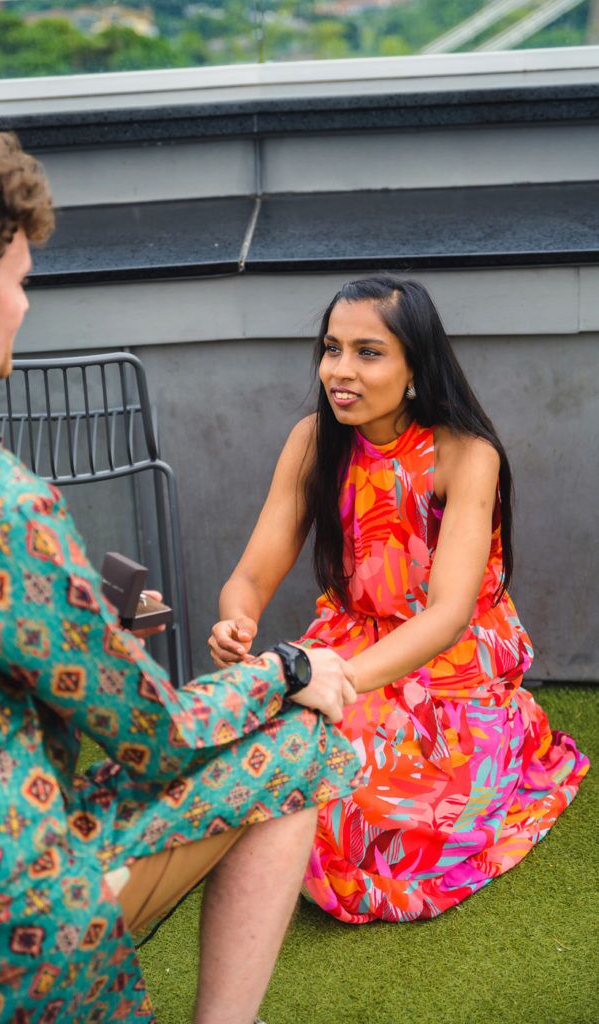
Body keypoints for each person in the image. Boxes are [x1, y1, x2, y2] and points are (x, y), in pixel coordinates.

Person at [0, 120, 363, 1024]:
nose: (25, 305)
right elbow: (154, 736)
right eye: (18, 283)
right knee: (307, 739)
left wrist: (101, 631)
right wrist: (288, 670)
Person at [209, 274, 589, 924]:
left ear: (415, 366)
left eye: (368, 351)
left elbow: (446, 616)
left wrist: (335, 682)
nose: (340, 370)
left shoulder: (466, 454)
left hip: (444, 668)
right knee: (265, 767)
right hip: (345, 642)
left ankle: (507, 741)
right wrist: (235, 622)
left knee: (362, 811)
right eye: (331, 349)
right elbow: (249, 578)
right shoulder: (313, 441)